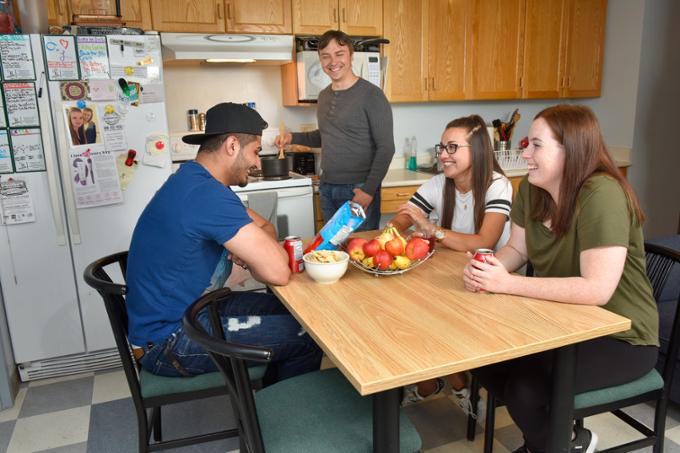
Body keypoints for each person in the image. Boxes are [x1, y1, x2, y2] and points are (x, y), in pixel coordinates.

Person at [463, 104, 659, 453]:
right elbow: (518, 250)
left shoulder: (602, 194)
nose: (525, 153)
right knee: (483, 360)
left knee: (526, 389)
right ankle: (564, 443)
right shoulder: (531, 189)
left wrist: (509, 284)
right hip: (562, 324)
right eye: (527, 144)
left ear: (572, 150)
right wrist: (488, 268)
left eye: (536, 145)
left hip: (622, 335)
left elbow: (597, 289)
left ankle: (551, 446)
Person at [126, 102, 323, 385]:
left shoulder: (195, 182)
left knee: (296, 312)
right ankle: (274, 422)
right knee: (310, 334)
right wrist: (258, 257)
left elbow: (265, 228)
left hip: (195, 311)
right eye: (255, 151)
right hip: (170, 340)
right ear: (232, 145)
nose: (257, 163)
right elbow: (278, 272)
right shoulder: (206, 195)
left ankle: (262, 405)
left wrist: (254, 252)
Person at [389, 114, 512, 414]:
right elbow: (405, 216)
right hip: (451, 276)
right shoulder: (438, 183)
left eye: (452, 147)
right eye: (442, 147)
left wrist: (433, 230)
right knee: (401, 311)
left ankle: (445, 383)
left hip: (490, 285)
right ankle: (448, 382)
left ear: (478, 150)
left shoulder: (498, 186)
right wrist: (389, 233)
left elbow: (483, 242)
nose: (442, 155)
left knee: (421, 318)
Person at [275, 29, 394, 230]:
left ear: (351, 55)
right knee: (332, 252)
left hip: (359, 188)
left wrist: (368, 190)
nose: (333, 62)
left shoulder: (372, 95)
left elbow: (386, 148)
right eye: (326, 56)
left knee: (360, 252)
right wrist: (291, 137)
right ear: (320, 60)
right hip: (328, 186)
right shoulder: (324, 96)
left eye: (339, 54)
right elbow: (327, 136)